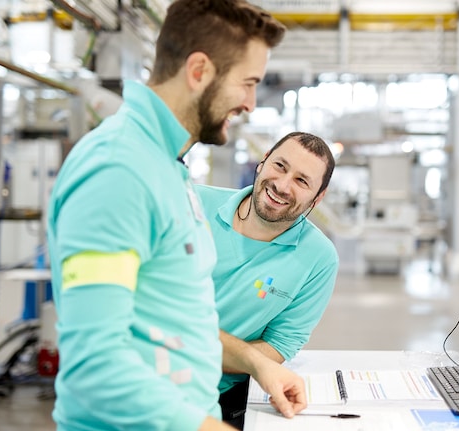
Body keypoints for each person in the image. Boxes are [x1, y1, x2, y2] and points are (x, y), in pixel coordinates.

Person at [46, 2, 306, 430]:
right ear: (199, 70)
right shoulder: (119, 171)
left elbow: (179, 318)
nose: (251, 104)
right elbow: (95, 369)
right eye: (247, 83)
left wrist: (260, 366)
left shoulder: (167, 166)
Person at [196, 131, 339, 429]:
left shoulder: (319, 258)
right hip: (147, 378)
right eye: (280, 166)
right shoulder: (195, 206)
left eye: (302, 181)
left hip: (225, 398)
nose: (283, 186)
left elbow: (278, 346)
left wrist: (188, 347)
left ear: (319, 196)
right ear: (262, 162)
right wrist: (249, 357)